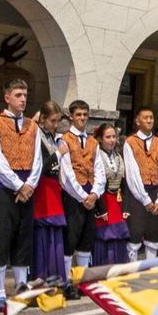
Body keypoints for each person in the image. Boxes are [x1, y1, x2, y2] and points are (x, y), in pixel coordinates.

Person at [0, 80, 45, 309]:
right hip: (5, 189)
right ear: (7, 97)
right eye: (18, 94)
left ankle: (21, 289)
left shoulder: (33, 126)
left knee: (23, 240)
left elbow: (37, 159)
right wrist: (18, 185)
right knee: (1, 239)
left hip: (28, 187)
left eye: (25, 94)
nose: (23, 99)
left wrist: (29, 184)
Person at [58, 100, 100, 277]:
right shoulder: (63, 139)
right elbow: (66, 173)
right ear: (71, 117)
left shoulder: (93, 141)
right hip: (72, 195)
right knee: (70, 238)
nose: (82, 118)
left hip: (91, 193)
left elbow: (99, 169)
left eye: (85, 114)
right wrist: (83, 196)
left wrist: (95, 193)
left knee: (86, 238)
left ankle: (81, 279)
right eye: (78, 115)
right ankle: (67, 280)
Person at [121, 108, 158, 262]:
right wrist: (145, 199)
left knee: (153, 234)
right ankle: (132, 271)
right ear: (137, 121)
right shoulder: (130, 142)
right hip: (136, 195)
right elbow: (132, 173)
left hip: (156, 191)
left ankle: (151, 268)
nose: (149, 120)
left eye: (151, 117)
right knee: (134, 233)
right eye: (145, 117)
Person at [28, 102, 68, 284]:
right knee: (43, 235)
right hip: (42, 188)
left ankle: (56, 278)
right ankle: (41, 277)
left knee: (54, 235)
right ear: (43, 119)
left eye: (58, 121)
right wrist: (58, 155)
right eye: (52, 121)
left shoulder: (51, 137)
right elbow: (40, 166)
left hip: (53, 189)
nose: (56, 125)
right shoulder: (36, 136)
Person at [89, 124, 131, 266]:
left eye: (114, 136)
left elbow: (124, 184)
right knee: (105, 235)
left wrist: (125, 207)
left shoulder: (118, 156)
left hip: (117, 201)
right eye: (108, 137)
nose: (112, 140)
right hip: (103, 200)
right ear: (100, 139)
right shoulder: (97, 156)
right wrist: (100, 209)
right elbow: (95, 181)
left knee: (119, 235)